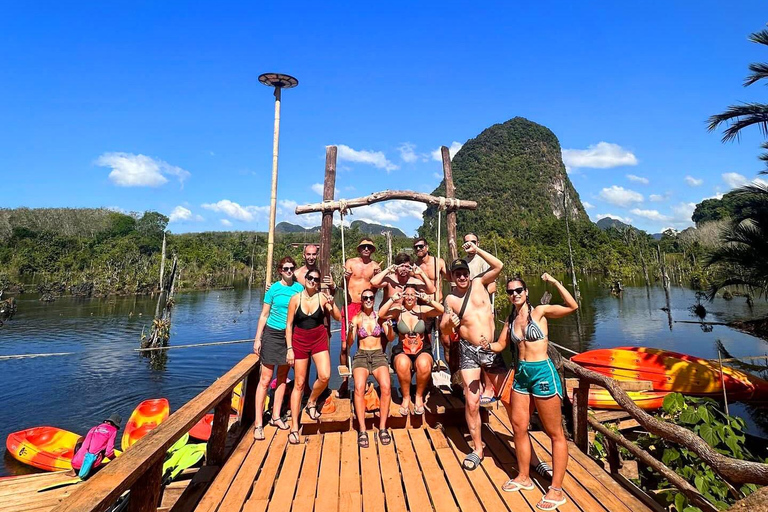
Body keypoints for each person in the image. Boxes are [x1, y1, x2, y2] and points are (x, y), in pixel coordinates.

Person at [485, 274, 578, 510]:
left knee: (554, 432)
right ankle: (524, 477)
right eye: (510, 291)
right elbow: (501, 345)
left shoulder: (540, 312)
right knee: (518, 426)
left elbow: (572, 306)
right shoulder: (510, 319)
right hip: (522, 375)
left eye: (518, 290)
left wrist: (556, 282)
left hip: (542, 373)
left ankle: (556, 490)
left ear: (526, 292)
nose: (514, 294)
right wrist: (485, 345)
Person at [440, 242, 503, 471]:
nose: (462, 277)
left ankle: (522, 443)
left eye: (464, 272)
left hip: (491, 348)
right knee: (472, 400)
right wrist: (450, 322)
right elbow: (445, 329)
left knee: (507, 397)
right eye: (457, 274)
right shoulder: (450, 300)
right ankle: (477, 449)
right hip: (468, 350)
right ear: (453, 277)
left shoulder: (479, 282)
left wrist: (477, 251)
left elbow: (498, 265)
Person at [285, 268, 341, 444]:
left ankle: (311, 402)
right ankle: (294, 426)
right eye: (310, 278)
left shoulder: (323, 297)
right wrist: (289, 348)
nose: (312, 281)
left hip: (318, 339)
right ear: (305, 279)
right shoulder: (296, 299)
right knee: (299, 383)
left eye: (316, 279)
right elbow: (289, 325)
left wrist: (332, 304)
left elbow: (338, 317)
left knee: (325, 376)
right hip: (299, 341)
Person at [253, 256, 303, 440]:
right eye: (286, 268)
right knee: (265, 379)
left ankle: (275, 416)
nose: (289, 271)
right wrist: (258, 339)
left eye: (292, 268)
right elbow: (264, 315)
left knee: (282, 377)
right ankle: (258, 423)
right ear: (280, 270)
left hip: (289, 337)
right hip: (272, 334)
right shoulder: (273, 289)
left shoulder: (299, 289)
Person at [380, 285, 444, 416]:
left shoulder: (422, 310)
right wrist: (392, 299)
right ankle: (406, 397)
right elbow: (381, 314)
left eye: (412, 295)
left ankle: (419, 397)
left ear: (416, 297)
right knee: (402, 364)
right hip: (402, 348)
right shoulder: (398, 310)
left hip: (422, 348)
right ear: (403, 296)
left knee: (424, 364)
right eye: (407, 294)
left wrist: (428, 300)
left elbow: (441, 310)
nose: (409, 297)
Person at [348, 288, 395, 448]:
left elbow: (390, 338)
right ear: (361, 300)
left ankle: (382, 428)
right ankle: (362, 429)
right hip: (361, 355)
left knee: (386, 387)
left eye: (370, 298)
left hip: (378, 355)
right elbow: (349, 344)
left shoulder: (379, 318)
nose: (368, 300)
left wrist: (389, 327)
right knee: (359, 388)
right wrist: (349, 332)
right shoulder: (356, 319)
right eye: (365, 298)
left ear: (374, 300)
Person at [340, 238, 382, 393]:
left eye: (369, 247)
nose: (366, 249)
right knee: (345, 346)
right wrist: (344, 277)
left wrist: (378, 280)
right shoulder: (350, 262)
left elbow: (375, 290)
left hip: (366, 306)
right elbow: (341, 286)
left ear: (372, 250)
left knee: (362, 345)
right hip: (350, 304)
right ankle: (345, 381)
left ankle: (362, 379)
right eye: (363, 246)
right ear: (359, 249)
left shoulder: (375, 266)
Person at [370, 252, 435, 302]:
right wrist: (387, 270)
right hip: (388, 316)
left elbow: (432, 290)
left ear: (410, 268)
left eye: (407, 267)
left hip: (404, 317)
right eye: (401, 266)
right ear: (396, 266)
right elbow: (373, 282)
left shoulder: (413, 282)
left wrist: (421, 273)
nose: (404, 269)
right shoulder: (389, 280)